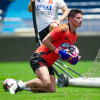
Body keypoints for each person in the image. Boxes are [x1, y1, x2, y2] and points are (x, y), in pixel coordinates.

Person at [9, 9, 83, 94]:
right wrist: (59, 52)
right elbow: (45, 41)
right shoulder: (61, 29)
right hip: (40, 57)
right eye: (78, 18)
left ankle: (22, 87)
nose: (80, 20)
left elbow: (62, 51)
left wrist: (70, 59)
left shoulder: (74, 36)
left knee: (51, 90)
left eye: (81, 18)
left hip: (49, 63)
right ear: (70, 19)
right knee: (45, 82)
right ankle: (18, 86)